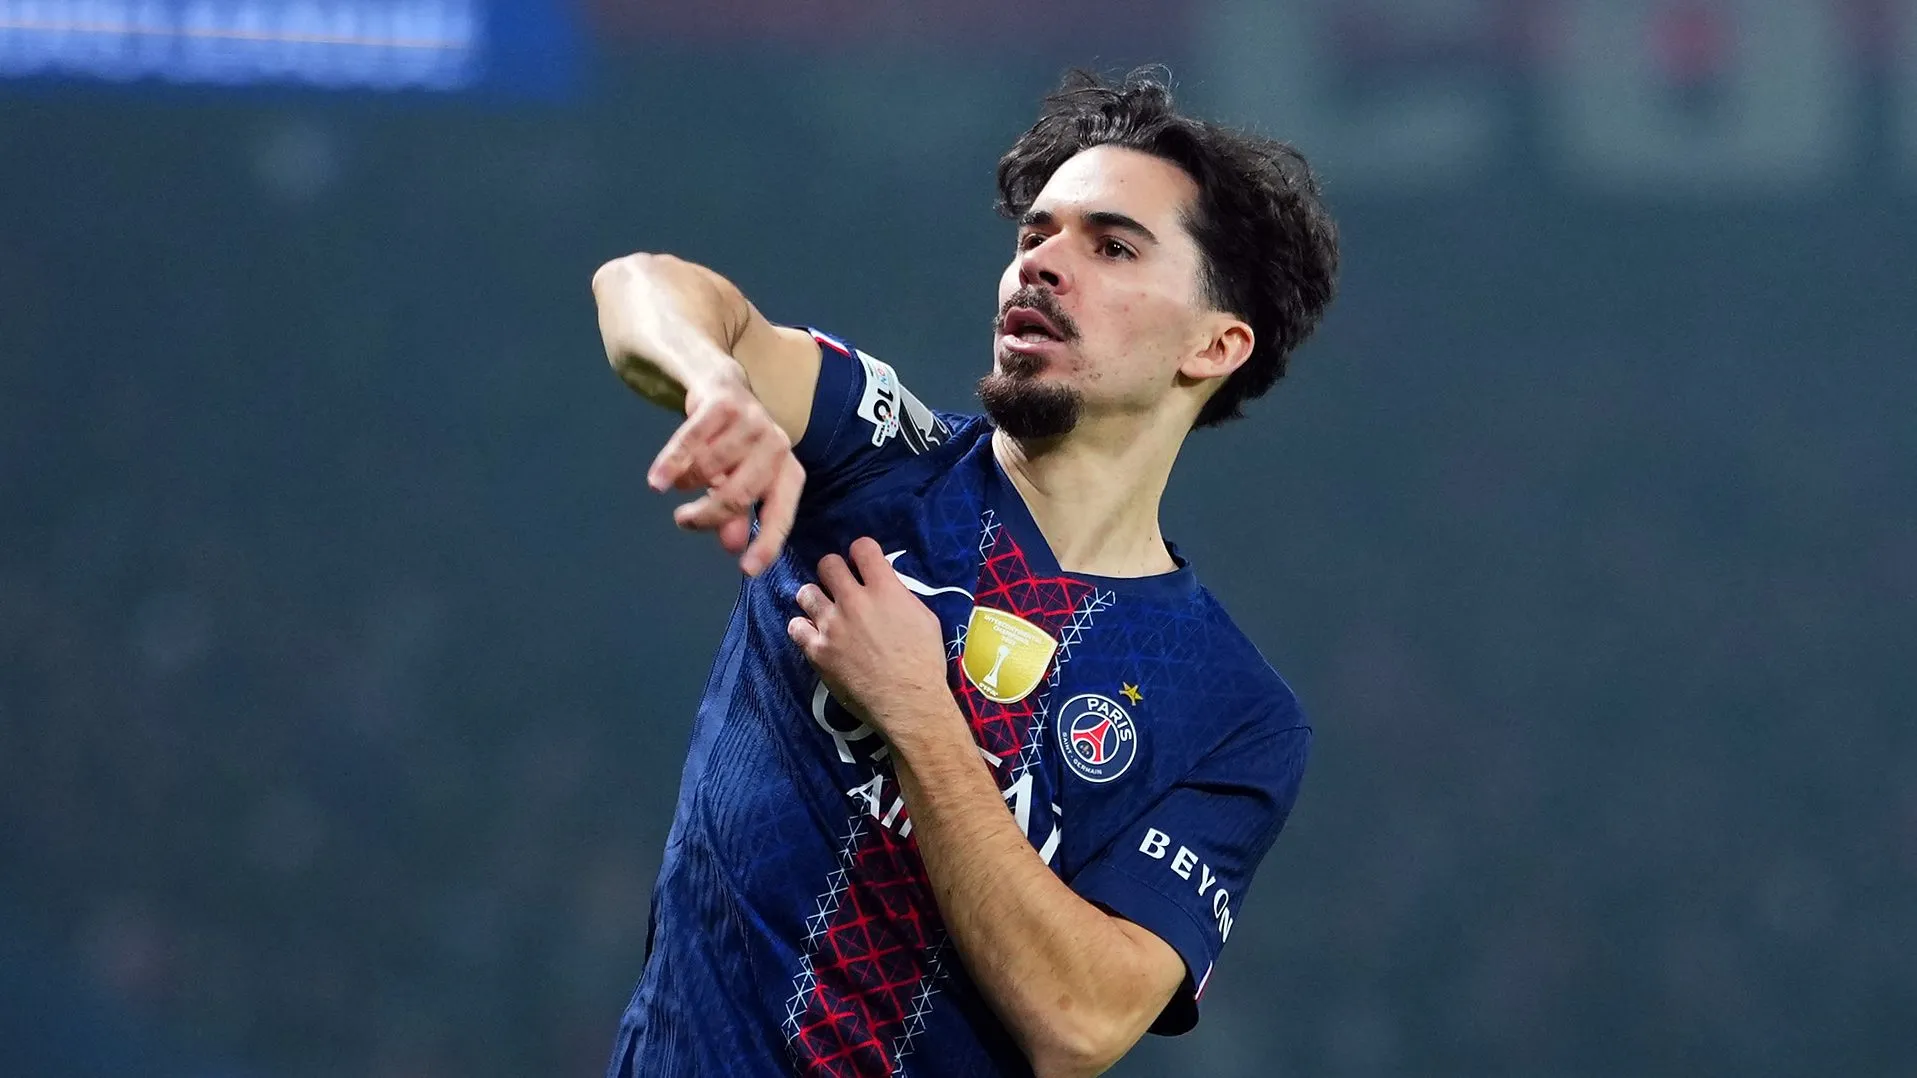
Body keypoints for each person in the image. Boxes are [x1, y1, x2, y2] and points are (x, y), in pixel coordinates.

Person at [591, 68, 1339, 1078]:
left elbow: (1078, 1022)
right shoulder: (873, 456)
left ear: (1216, 343)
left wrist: (920, 718)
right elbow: (640, 285)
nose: (1041, 265)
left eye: (1111, 245)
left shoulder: (1234, 710)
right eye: (1036, 235)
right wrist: (714, 373)